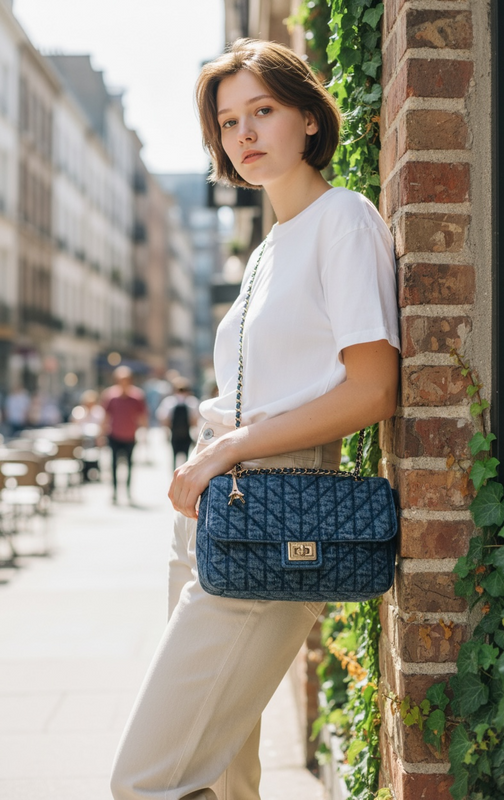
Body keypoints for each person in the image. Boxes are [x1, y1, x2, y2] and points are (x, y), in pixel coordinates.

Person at [111, 38, 400, 800]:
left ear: (307, 117)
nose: (243, 133)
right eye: (227, 121)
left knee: (145, 780)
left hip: (279, 509)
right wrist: (214, 460)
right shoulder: (270, 247)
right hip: (215, 508)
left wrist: (227, 448)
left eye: (262, 111)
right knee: (223, 779)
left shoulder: (343, 221)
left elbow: (372, 391)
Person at [101, 366, 148, 504]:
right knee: (114, 465)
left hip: (130, 436)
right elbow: (105, 417)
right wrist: (101, 434)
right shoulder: (110, 396)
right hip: (114, 435)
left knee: (129, 465)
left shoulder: (137, 396)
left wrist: (144, 433)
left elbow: (142, 417)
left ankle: (128, 492)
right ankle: (115, 492)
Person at [156, 376, 200, 469]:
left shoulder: (169, 402)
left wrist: (166, 431)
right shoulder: (191, 402)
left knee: (175, 457)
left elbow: (163, 418)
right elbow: (195, 419)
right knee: (186, 457)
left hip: (177, 433)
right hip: (184, 433)